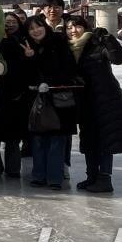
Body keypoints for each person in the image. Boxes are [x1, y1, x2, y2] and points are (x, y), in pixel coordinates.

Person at [66, 16, 122, 193]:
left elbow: (118, 58)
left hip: (104, 99)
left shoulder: (97, 44)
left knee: (105, 140)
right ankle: (91, 176)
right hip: (84, 101)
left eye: (77, 26)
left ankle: (104, 178)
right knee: (89, 139)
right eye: (69, 27)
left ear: (86, 28)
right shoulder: (70, 49)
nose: (73, 30)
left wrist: (108, 38)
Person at [20, 16, 78, 189]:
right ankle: (38, 175)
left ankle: (54, 177)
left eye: (38, 26)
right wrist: (29, 58)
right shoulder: (27, 47)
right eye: (31, 29)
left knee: (57, 139)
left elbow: (68, 69)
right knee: (38, 138)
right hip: (37, 100)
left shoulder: (58, 43)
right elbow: (28, 75)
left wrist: (51, 83)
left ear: (45, 26)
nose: (35, 31)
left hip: (59, 98)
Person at [0, 13, 28, 178]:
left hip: (15, 94)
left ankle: (13, 168)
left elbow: (24, 67)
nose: (8, 25)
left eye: (12, 22)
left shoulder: (22, 41)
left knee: (13, 138)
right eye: (4, 22)